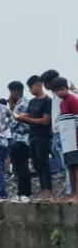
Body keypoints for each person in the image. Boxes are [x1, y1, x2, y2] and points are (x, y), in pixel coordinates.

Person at [15, 75, 54, 201]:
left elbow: (45, 121)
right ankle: (43, 190)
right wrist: (22, 117)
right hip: (31, 136)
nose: (30, 90)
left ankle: (48, 191)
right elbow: (30, 118)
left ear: (39, 85)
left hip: (43, 136)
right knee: (36, 164)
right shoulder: (32, 102)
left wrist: (26, 118)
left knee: (43, 163)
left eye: (31, 87)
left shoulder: (48, 101)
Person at [41, 69, 78, 199]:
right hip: (61, 133)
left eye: (45, 83)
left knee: (72, 166)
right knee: (68, 165)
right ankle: (71, 192)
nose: (44, 86)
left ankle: (72, 193)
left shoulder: (70, 98)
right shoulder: (59, 98)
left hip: (70, 136)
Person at [51, 77, 78, 203]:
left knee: (76, 167)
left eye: (62, 90)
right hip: (66, 141)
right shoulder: (62, 103)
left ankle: (77, 194)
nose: (59, 93)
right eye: (57, 91)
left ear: (67, 88)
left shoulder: (72, 100)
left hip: (74, 140)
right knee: (71, 167)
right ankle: (72, 193)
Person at [7, 81, 31, 202]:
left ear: (15, 92)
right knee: (19, 168)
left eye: (11, 92)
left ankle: (25, 193)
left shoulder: (22, 105)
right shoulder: (19, 105)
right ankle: (21, 192)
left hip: (22, 140)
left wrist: (11, 109)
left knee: (22, 167)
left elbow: (13, 123)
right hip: (19, 139)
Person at [0, 98, 13, 179]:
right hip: (7, 136)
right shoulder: (7, 112)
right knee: (6, 156)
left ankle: (7, 172)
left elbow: (6, 126)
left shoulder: (4, 113)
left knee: (5, 156)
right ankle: (7, 171)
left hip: (6, 137)